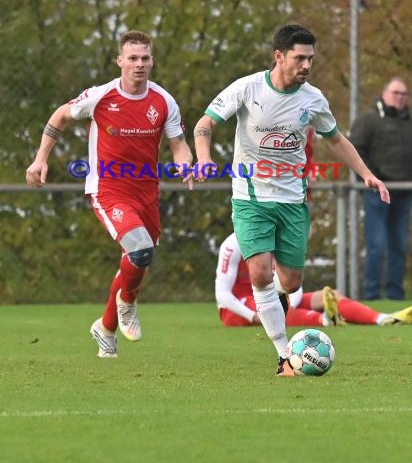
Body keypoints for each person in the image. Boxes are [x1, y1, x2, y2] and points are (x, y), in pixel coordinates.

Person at [194, 23, 390, 377]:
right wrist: (204, 158)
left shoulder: (312, 99)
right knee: (259, 273)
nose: (306, 65)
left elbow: (336, 140)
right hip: (250, 198)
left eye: (310, 59)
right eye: (299, 58)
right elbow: (204, 124)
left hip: (292, 201)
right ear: (279, 56)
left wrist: (366, 173)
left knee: (293, 282)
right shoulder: (247, 88)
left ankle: (279, 310)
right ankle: (284, 354)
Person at [26, 30, 194, 358]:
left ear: (152, 61)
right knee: (141, 251)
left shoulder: (163, 101)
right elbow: (60, 115)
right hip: (108, 190)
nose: (139, 64)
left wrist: (185, 164)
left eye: (145, 58)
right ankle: (127, 305)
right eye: (132, 58)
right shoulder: (101, 96)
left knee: (135, 260)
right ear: (120, 61)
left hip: (146, 193)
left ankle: (105, 328)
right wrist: (40, 158)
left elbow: (179, 145)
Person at [215, 232, 412, 327]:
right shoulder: (232, 245)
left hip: (273, 297)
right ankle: (325, 320)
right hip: (238, 308)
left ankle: (382, 319)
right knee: (277, 310)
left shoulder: (278, 241)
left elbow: (291, 282)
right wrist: (252, 316)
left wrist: (291, 300)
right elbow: (223, 294)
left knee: (330, 295)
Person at [350, 77, 412, 301]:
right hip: (376, 192)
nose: (400, 97)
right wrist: (373, 177)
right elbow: (356, 149)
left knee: (400, 244)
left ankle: (396, 294)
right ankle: (372, 295)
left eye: (404, 94)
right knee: (377, 244)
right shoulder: (368, 120)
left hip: (404, 192)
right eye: (396, 92)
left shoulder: (408, 123)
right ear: (385, 93)